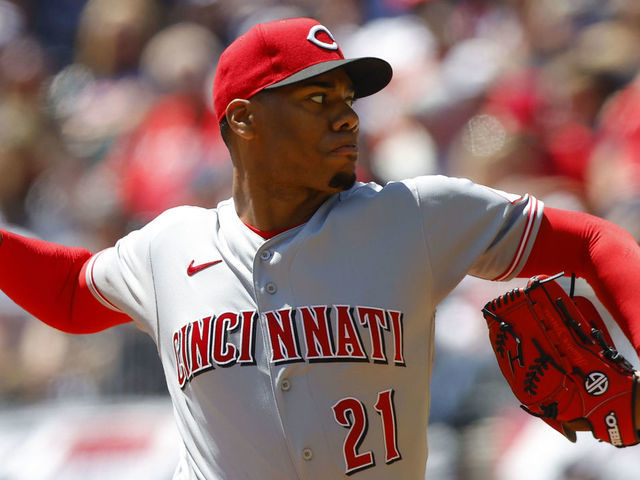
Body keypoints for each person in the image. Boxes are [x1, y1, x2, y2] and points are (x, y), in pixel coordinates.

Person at [1, 17, 640, 479]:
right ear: (244, 120)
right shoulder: (171, 246)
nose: (346, 116)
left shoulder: (412, 216)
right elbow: (69, 295)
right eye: (316, 99)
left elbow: (593, 239)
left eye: (346, 98)